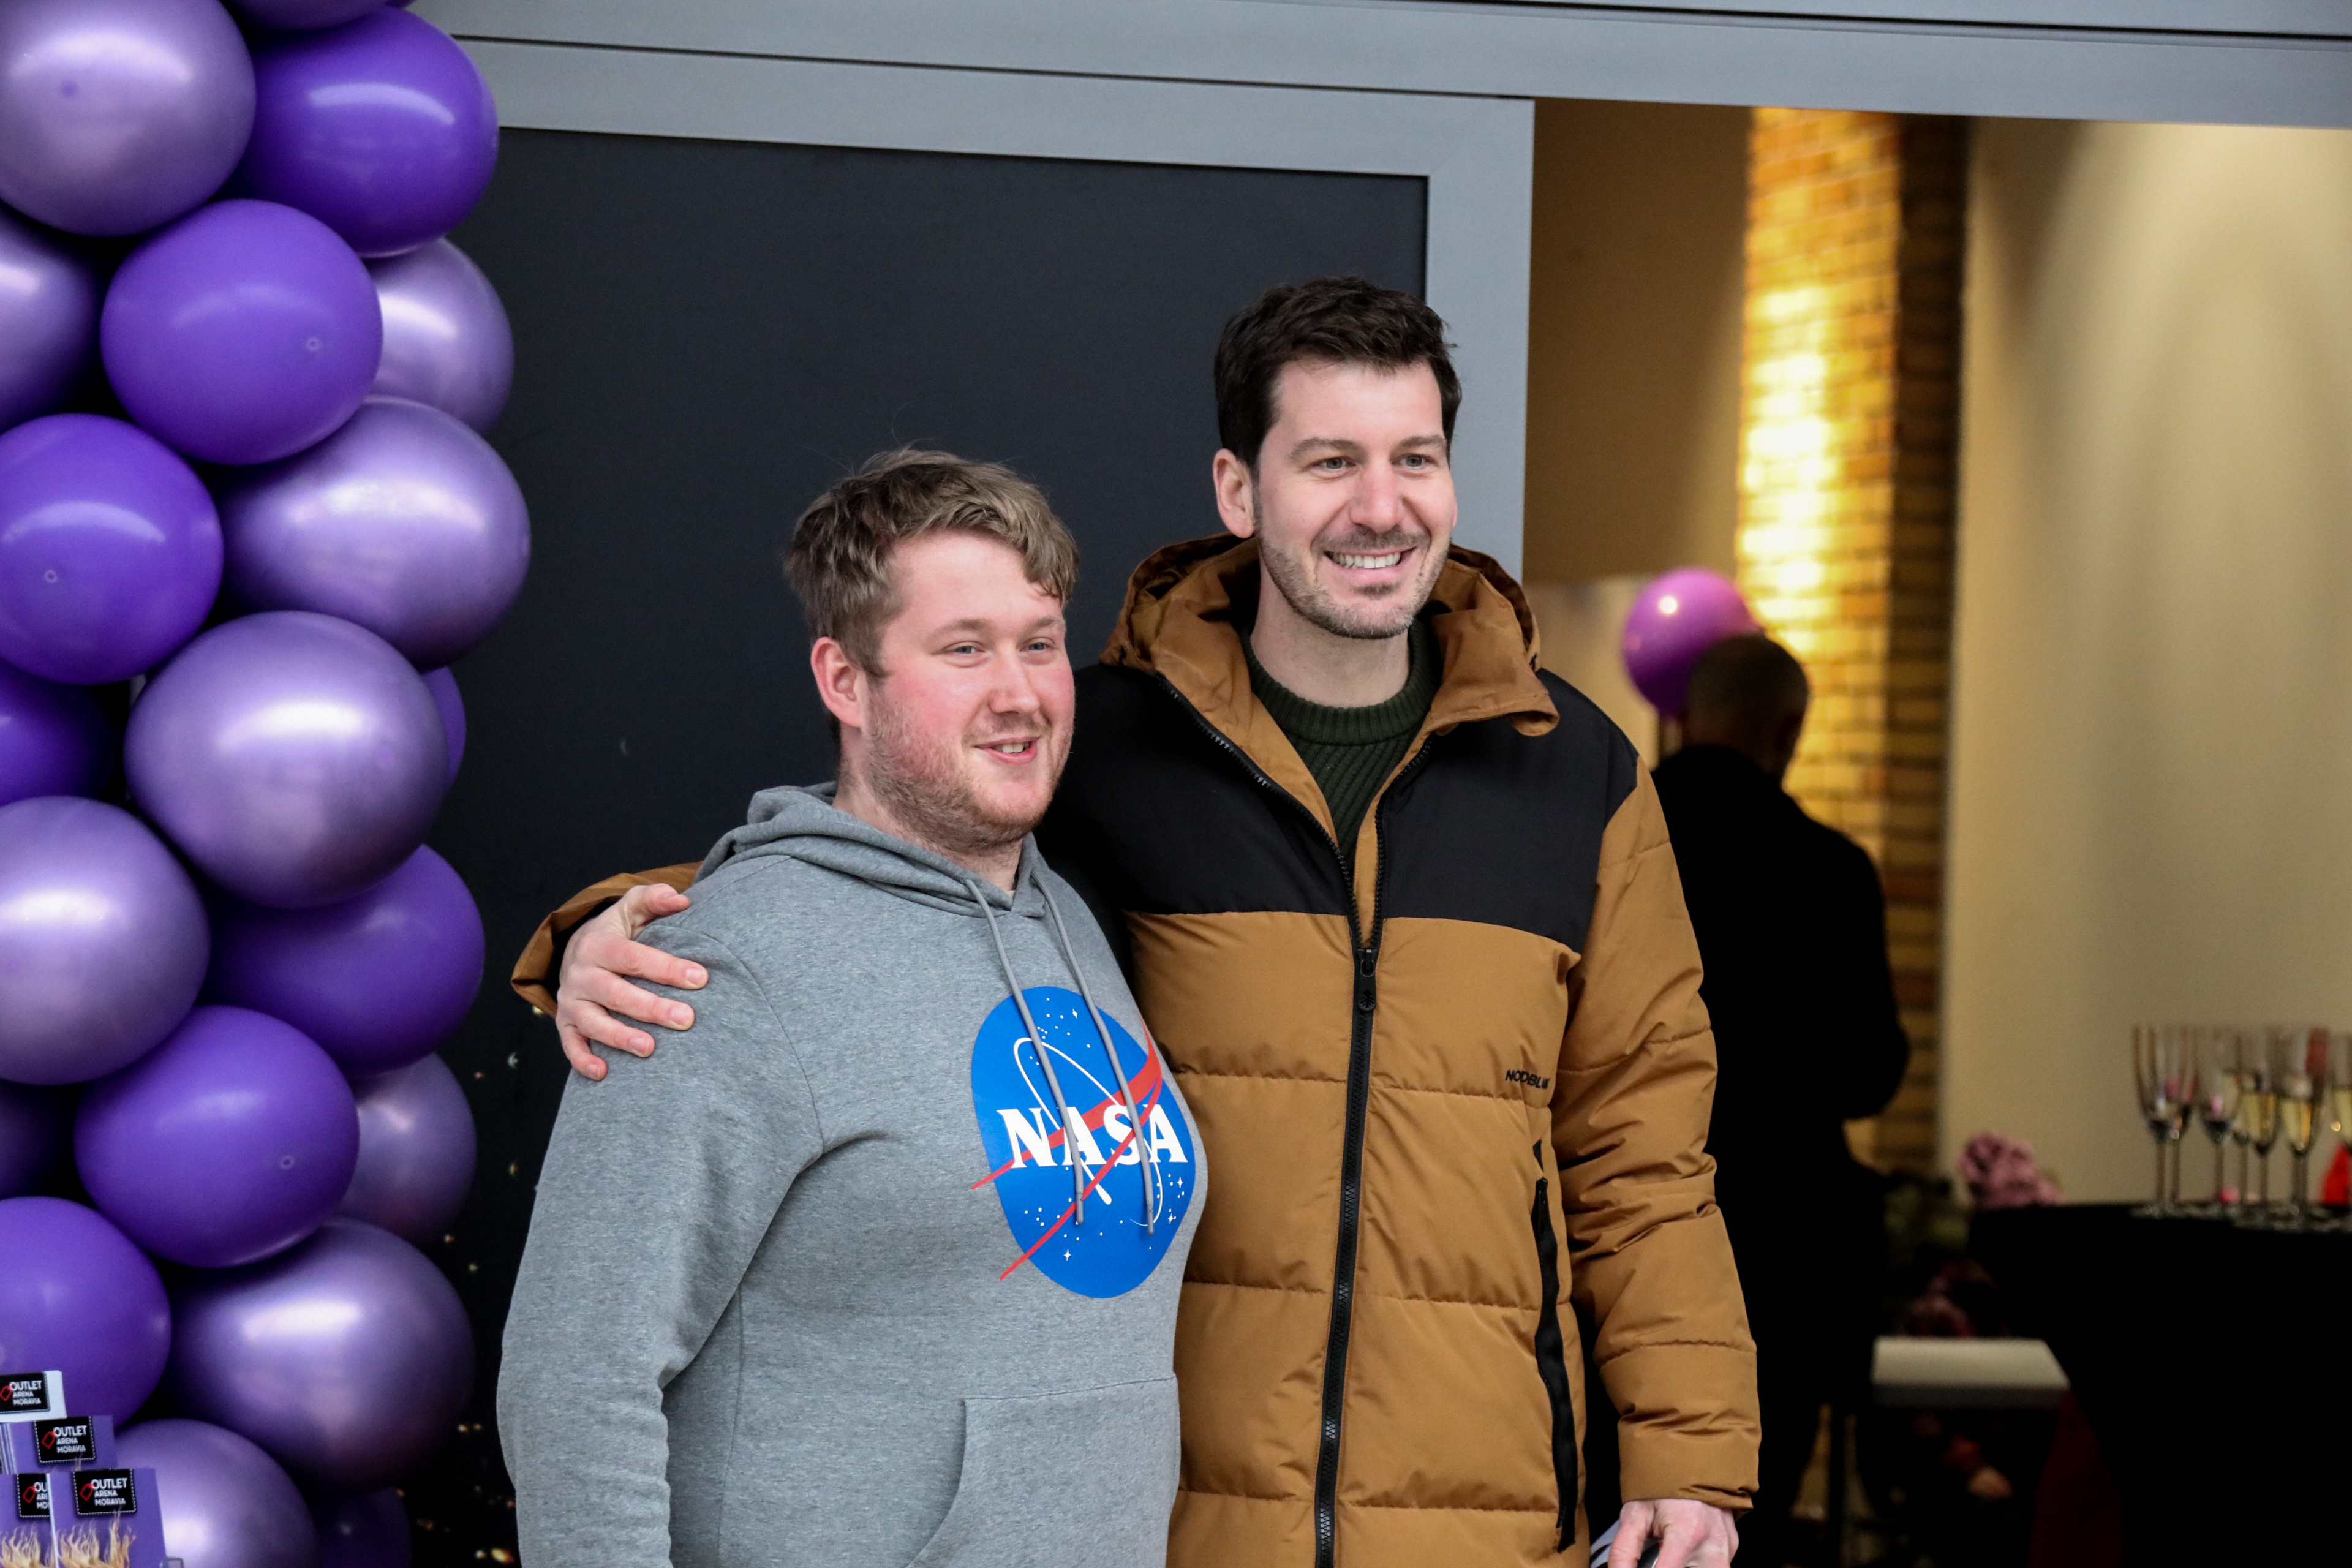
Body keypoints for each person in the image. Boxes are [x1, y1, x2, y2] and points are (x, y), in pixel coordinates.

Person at [520, 277, 1758, 1568]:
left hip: (1480, 1516)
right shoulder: (1107, 745)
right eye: (1330, 460)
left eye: (1415, 458)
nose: (1381, 506)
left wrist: (1690, 1451)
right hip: (1186, 1523)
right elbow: (890, 862)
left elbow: (1643, 1145)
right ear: (1240, 490)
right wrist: (614, 931)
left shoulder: (1576, 775)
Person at [497, 453, 1204, 1568]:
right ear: (844, 679)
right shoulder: (719, 969)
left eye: (1037, 642)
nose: (1020, 693)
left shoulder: (1065, 918)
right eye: (963, 649)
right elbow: (576, 1376)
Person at [1651, 633, 1910, 1568]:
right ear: (1790, 731)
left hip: (1629, 1234)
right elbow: (1868, 1074)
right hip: (1785, 1253)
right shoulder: (1829, 871)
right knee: (1749, 1517)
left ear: (1685, 718)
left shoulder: (1613, 848)